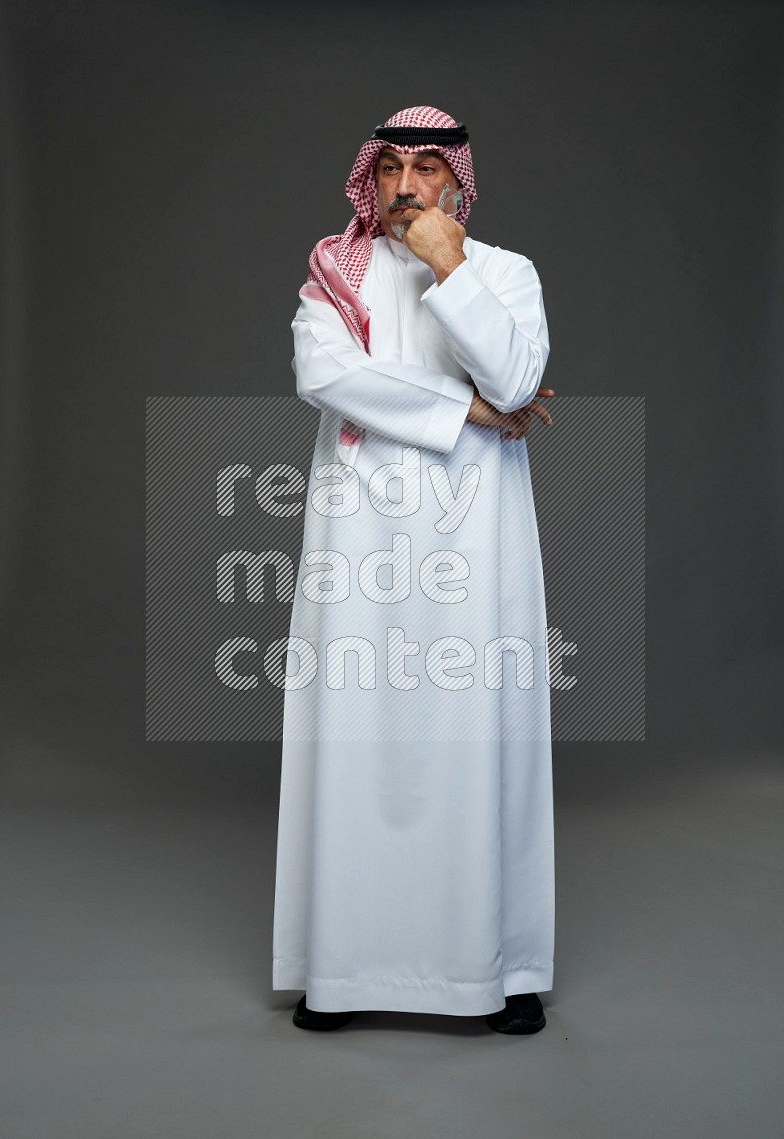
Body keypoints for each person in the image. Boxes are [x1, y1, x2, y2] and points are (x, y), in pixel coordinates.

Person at [271, 106, 556, 1035]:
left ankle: (500, 969)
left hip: (476, 540)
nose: (404, 186)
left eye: (425, 168)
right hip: (360, 535)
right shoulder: (333, 276)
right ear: (371, 178)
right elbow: (327, 377)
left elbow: (515, 380)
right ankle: (342, 971)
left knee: (482, 731)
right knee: (354, 727)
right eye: (389, 167)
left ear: (456, 182)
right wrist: (462, 410)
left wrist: (449, 265)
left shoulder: (503, 274)